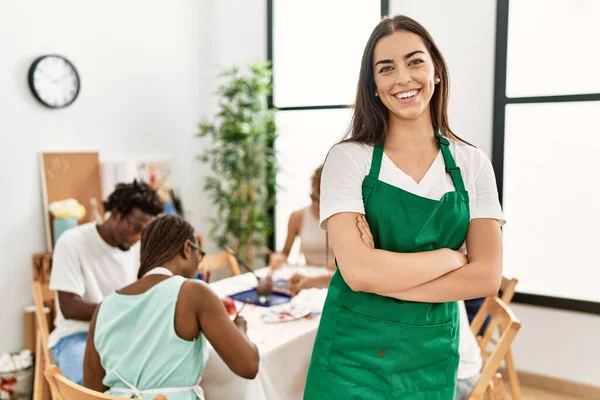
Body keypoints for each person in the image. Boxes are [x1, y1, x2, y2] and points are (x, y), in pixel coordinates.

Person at [303, 15, 504, 399]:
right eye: (386, 68)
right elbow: (359, 273)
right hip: (351, 357)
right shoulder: (348, 160)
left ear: (436, 71)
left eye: (415, 61)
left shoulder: (472, 163)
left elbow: (486, 279)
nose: (403, 78)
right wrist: (450, 258)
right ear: (374, 86)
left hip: (428, 356)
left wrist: (385, 279)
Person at [83, 215, 259, 399]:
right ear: (186, 248)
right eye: (200, 253)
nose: (200, 263)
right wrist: (240, 328)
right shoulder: (193, 292)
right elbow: (248, 366)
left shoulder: (104, 307)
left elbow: (90, 391)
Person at [48, 180, 163, 384]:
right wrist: (127, 310)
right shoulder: (72, 242)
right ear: (116, 214)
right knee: (92, 388)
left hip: (123, 335)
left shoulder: (137, 247)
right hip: (77, 336)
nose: (139, 237)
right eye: (136, 228)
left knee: (159, 377)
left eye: (145, 231)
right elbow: (69, 308)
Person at [269, 165, 334, 269]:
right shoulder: (297, 217)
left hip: (336, 279)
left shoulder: (342, 218)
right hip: (308, 277)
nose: (317, 205)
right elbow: (285, 253)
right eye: (314, 198)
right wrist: (279, 258)